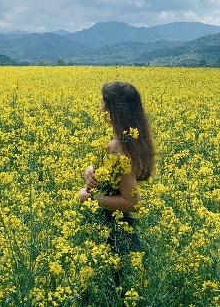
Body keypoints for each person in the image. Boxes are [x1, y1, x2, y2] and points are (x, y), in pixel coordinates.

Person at [78, 81, 156, 293]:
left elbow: (131, 202)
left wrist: (89, 199)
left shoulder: (120, 147)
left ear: (114, 110)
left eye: (105, 104)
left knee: (110, 288)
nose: (101, 109)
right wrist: (92, 169)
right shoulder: (131, 141)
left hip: (112, 230)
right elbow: (120, 175)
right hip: (117, 226)